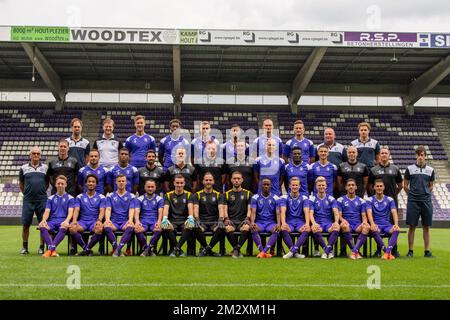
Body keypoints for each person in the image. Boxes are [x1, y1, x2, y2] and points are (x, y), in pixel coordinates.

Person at [368, 146, 403, 257]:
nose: (383, 155)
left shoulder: (395, 169)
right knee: (377, 224)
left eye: (385, 153)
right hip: (377, 202)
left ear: (389, 155)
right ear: (379, 156)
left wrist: (392, 195)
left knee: (393, 225)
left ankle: (394, 250)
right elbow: (369, 186)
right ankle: (379, 250)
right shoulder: (373, 170)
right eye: (382, 153)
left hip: (391, 201)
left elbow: (400, 185)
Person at [404, 146, 435, 258]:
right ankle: (410, 251)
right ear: (416, 156)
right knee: (412, 226)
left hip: (426, 201)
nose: (420, 157)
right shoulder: (410, 168)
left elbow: (431, 186)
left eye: (422, 155)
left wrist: (426, 193)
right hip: (413, 201)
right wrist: (412, 195)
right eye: (418, 155)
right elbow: (405, 185)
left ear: (425, 156)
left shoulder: (430, 170)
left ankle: (427, 251)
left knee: (426, 226)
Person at [19, 146, 49, 255]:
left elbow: (47, 182)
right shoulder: (23, 168)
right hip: (28, 200)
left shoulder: (45, 168)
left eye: (38, 154)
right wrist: (27, 193)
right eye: (34, 153)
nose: (36, 155)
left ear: (40, 156)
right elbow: (21, 184)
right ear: (30, 155)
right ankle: (24, 247)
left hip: (41, 200)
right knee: (26, 224)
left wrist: (40, 192)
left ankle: (41, 247)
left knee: (43, 224)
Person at [39, 175, 75, 258]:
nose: (60, 185)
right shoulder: (50, 198)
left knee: (64, 227)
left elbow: (70, 212)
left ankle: (49, 250)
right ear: (55, 185)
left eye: (62, 184)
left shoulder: (70, 198)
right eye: (58, 183)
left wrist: (66, 221)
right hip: (52, 221)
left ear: (66, 185)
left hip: (63, 221)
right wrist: (44, 220)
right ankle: (53, 250)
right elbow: (47, 211)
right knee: (42, 226)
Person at [103, 174, 139, 257]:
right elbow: (108, 209)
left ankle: (117, 250)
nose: (121, 183)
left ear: (126, 182)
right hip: (114, 222)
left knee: (130, 226)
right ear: (116, 182)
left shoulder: (131, 196)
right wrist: (107, 220)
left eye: (123, 181)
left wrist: (130, 220)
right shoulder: (110, 196)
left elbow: (131, 209)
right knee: (106, 226)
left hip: (124, 222)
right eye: (119, 181)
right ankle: (118, 249)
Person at [70, 174, 106, 256]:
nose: (91, 183)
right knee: (72, 228)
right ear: (86, 183)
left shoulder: (101, 197)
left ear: (96, 184)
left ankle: (86, 249)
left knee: (99, 228)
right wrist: (74, 221)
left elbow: (102, 210)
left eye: (93, 182)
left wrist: (99, 220)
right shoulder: (80, 197)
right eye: (89, 181)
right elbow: (76, 209)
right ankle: (86, 249)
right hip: (83, 222)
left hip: (94, 221)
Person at [160, 174, 196, 257]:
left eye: (181, 183)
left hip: (184, 220)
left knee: (189, 226)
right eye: (177, 183)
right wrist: (165, 218)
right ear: (174, 183)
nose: (179, 185)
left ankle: (176, 249)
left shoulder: (189, 195)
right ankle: (179, 249)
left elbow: (190, 206)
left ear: (184, 183)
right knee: (166, 226)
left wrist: (190, 217)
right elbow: (166, 208)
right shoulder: (168, 195)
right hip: (173, 221)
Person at [366, 179, 400, 260]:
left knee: (396, 230)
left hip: (387, 225)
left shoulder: (390, 199)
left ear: (384, 187)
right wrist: (372, 224)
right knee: (374, 230)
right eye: (377, 186)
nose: (379, 188)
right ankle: (387, 252)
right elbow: (369, 213)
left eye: (381, 186)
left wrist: (396, 224)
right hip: (376, 225)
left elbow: (394, 212)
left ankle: (387, 253)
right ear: (374, 187)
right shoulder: (370, 200)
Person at [192, 173, 225, 257]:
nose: (208, 182)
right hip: (202, 221)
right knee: (195, 227)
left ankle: (206, 249)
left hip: (214, 222)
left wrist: (220, 220)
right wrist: (197, 219)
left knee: (222, 228)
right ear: (203, 182)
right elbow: (195, 208)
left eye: (210, 180)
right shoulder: (197, 195)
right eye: (206, 180)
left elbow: (221, 208)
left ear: (213, 182)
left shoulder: (219, 195)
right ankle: (209, 250)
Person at [221, 171, 252, 258]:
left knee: (246, 227)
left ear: (242, 180)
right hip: (232, 221)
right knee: (227, 228)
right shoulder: (226, 194)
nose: (236, 180)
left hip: (243, 220)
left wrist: (247, 218)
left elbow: (250, 208)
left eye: (238, 179)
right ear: (231, 180)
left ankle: (236, 249)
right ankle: (237, 249)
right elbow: (225, 209)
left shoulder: (248, 193)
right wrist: (226, 219)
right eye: (234, 179)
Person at [337, 179, 370, 260]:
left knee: (367, 227)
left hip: (357, 225)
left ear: (356, 187)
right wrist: (342, 220)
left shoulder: (361, 201)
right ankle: (355, 252)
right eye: (349, 185)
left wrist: (365, 222)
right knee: (344, 226)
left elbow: (363, 215)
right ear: (346, 188)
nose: (351, 187)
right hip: (346, 223)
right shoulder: (340, 200)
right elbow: (339, 215)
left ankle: (354, 251)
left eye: (352, 185)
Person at [309, 177, 340, 259]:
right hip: (318, 223)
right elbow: (310, 213)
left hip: (328, 224)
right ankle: (328, 250)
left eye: (323, 185)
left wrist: (336, 222)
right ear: (316, 187)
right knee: (314, 228)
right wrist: (314, 223)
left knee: (336, 228)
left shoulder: (331, 199)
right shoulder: (312, 199)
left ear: (326, 186)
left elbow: (336, 212)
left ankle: (326, 251)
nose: (321, 187)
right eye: (319, 185)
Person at [279, 177, 311, 259]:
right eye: (293, 185)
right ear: (289, 186)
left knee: (307, 229)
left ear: (299, 186)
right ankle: (295, 253)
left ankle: (292, 251)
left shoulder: (304, 198)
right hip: (289, 222)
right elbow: (283, 211)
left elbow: (306, 212)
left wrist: (307, 224)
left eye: (296, 185)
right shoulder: (284, 198)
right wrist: (284, 223)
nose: (295, 187)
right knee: (283, 229)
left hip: (300, 222)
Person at [250, 179, 281, 258]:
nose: (266, 186)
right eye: (264, 184)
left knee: (276, 229)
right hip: (260, 222)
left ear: (270, 186)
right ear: (261, 185)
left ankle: (263, 252)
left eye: (268, 184)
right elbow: (253, 211)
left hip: (271, 223)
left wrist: (278, 224)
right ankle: (262, 251)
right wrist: (252, 222)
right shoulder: (255, 197)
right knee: (253, 228)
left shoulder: (276, 198)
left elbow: (278, 212)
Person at [135, 179, 164, 257]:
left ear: (155, 188)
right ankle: (149, 250)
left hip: (154, 221)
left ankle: (146, 250)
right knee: (137, 229)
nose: (150, 189)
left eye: (152, 187)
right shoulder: (140, 199)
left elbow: (160, 212)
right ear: (145, 187)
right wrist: (137, 222)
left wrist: (159, 221)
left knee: (159, 229)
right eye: (148, 187)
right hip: (143, 221)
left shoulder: (159, 199)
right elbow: (137, 211)